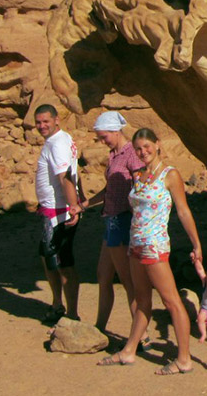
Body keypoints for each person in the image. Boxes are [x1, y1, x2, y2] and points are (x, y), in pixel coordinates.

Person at [98, 128, 205, 375]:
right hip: (135, 245)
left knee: (172, 302)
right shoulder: (140, 175)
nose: (143, 152)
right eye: (138, 148)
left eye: (147, 146)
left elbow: (183, 211)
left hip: (154, 246)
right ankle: (128, 351)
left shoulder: (170, 175)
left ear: (157, 145)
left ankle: (184, 359)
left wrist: (196, 244)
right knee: (142, 299)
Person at [82, 111, 150, 346]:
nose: (102, 141)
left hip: (122, 221)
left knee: (127, 280)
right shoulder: (114, 155)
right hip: (110, 220)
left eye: (104, 137)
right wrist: (85, 204)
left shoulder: (131, 154)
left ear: (115, 131)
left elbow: (142, 185)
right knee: (103, 275)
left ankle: (142, 335)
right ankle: (100, 327)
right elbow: (110, 189)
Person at [33, 103, 83, 325]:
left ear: (56, 120)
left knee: (63, 261)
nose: (42, 126)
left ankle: (70, 312)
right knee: (49, 257)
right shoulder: (57, 141)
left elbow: (66, 177)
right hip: (51, 210)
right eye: (38, 122)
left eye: (46, 121)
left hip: (59, 212)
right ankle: (57, 304)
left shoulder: (58, 143)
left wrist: (73, 206)